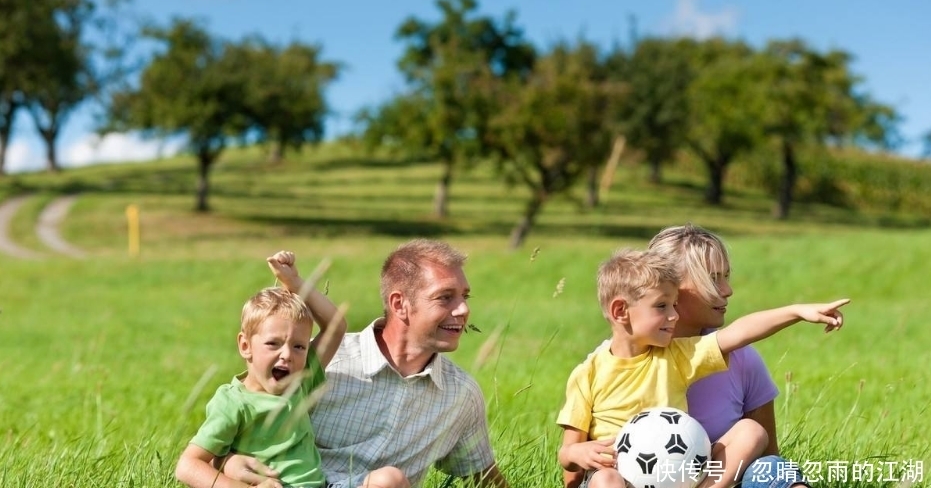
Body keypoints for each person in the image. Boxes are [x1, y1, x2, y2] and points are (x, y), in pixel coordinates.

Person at [224, 239, 509, 488]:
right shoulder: (324, 362)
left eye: (464, 297)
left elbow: (482, 477)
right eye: (445, 297)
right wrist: (231, 464)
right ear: (399, 304)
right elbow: (238, 430)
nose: (463, 309)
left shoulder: (461, 395)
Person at [557, 248, 847, 488]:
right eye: (662, 306)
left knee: (751, 431)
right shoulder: (588, 373)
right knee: (606, 480)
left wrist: (797, 312)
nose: (673, 315)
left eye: (674, 305)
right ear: (621, 311)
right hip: (621, 478)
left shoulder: (678, 356)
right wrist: (578, 453)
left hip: (681, 476)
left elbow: (739, 332)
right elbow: (567, 453)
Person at [649, 223, 815, 488]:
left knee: (774, 469)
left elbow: (767, 460)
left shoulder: (741, 360)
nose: (727, 290)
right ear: (671, 289)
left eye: (726, 276)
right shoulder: (622, 359)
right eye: (713, 278)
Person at [175, 250, 348, 488]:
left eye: (298, 346)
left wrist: (294, 282)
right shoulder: (234, 404)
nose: (287, 354)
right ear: (245, 346)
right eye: (273, 344)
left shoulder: (301, 379)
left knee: (389, 479)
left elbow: (336, 326)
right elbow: (188, 466)